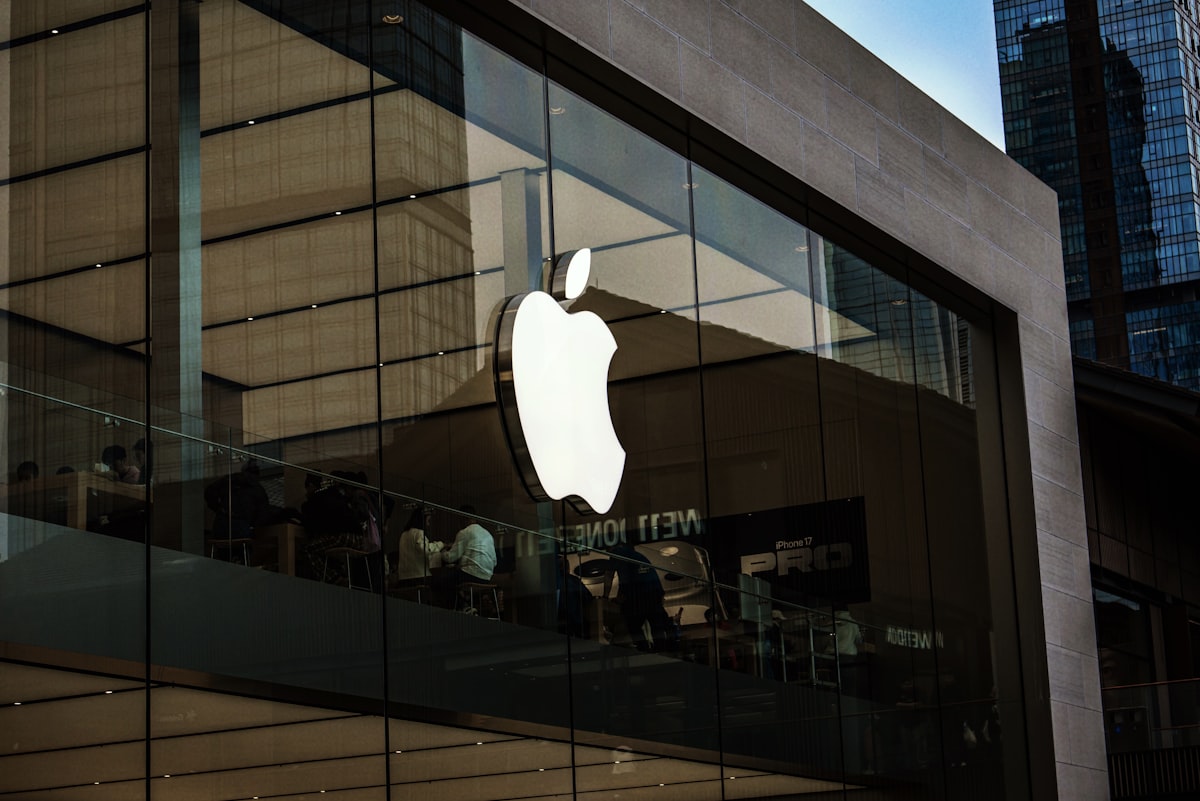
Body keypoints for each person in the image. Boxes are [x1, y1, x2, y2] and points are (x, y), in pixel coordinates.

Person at [609, 543, 675, 652]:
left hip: (638, 593)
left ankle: (643, 649)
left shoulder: (617, 553)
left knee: (633, 624)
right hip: (653, 591)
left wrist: (609, 596)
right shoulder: (638, 556)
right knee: (656, 623)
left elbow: (615, 576)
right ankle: (662, 648)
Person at [434, 506, 496, 609]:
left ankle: (460, 608)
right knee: (455, 579)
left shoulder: (464, 532)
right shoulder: (487, 534)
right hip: (487, 577)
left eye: (459, 520)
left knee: (439, 583)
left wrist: (443, 550)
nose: (459, 524)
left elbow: (450, 558)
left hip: (472, 575)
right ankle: (466, 605)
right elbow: (494, 561)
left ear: (463, 519)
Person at [204, 460, 270, 540]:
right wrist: (254, 526)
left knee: (223, 548)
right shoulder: (257, 489)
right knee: (242, 548)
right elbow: (263, 512)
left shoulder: (229, 480)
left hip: (222, 523)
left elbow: (210, 491)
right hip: (242, 525)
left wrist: (218, 509)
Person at [391, 505, 443, 582]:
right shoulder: (419, 533)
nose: (428, 525)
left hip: (403, 577)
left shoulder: (403, 534)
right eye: (428, 521)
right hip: (419, 576)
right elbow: (426, 549)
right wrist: (441, 544)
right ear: (422, 520)